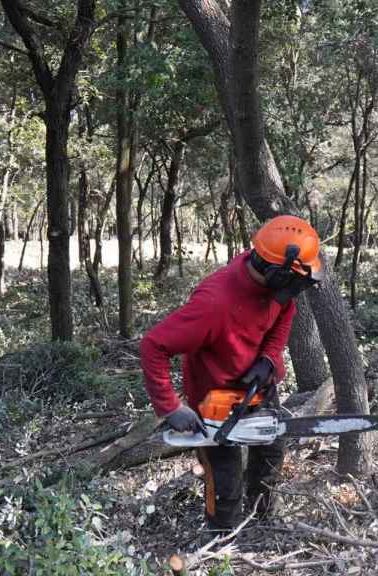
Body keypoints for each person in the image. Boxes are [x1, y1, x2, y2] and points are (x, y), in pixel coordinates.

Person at [139, 215, 324, 532]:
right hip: (215, 396)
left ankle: (261, 522)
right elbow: (153, 346)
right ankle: (221, 537)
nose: (296, 290)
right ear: (276, 272)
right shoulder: (215, 303)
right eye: (294, 281)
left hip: (258, 385)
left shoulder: (277, 284)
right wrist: (170, 406)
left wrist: (268, 356)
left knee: (270, 454)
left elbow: (285, 311)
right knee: (225, 483)